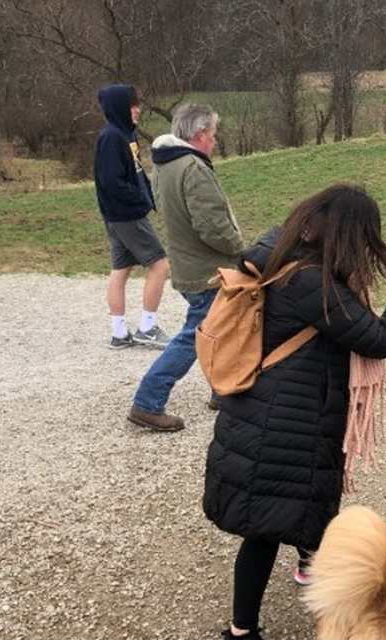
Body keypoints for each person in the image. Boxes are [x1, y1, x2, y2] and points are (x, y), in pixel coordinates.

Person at [203, 184, 386, 640]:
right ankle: (241, 631)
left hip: (266, 412)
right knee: (266, 528)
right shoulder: (310, 283)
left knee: (297, 508)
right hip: (284, 425)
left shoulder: (284, 253)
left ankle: (308, 568)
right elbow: (379, 338)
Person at [126, 103, 244, 433]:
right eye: (214, 135)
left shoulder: (165, 165)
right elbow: (211, 225)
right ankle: (147, 402)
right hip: (205, 270)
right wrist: (241, 249)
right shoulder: (193, 167)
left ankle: (223, 391)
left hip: (187, 262)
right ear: (201, 134)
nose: (215, 141)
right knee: (195, 336)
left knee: (219, 330)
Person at [93, 84, 172, 350]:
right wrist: (140, 201)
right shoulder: (111, 138)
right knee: (160, 265)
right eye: (131, 105)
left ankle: (119, 333)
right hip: (127, 216)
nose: (137, 110)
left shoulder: (127, 136)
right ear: (118, 108)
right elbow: (111, 182)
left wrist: (151, 197)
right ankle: (147, 328)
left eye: (137, 105)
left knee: (121, 270)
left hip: (124, 215)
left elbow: (137, 176)